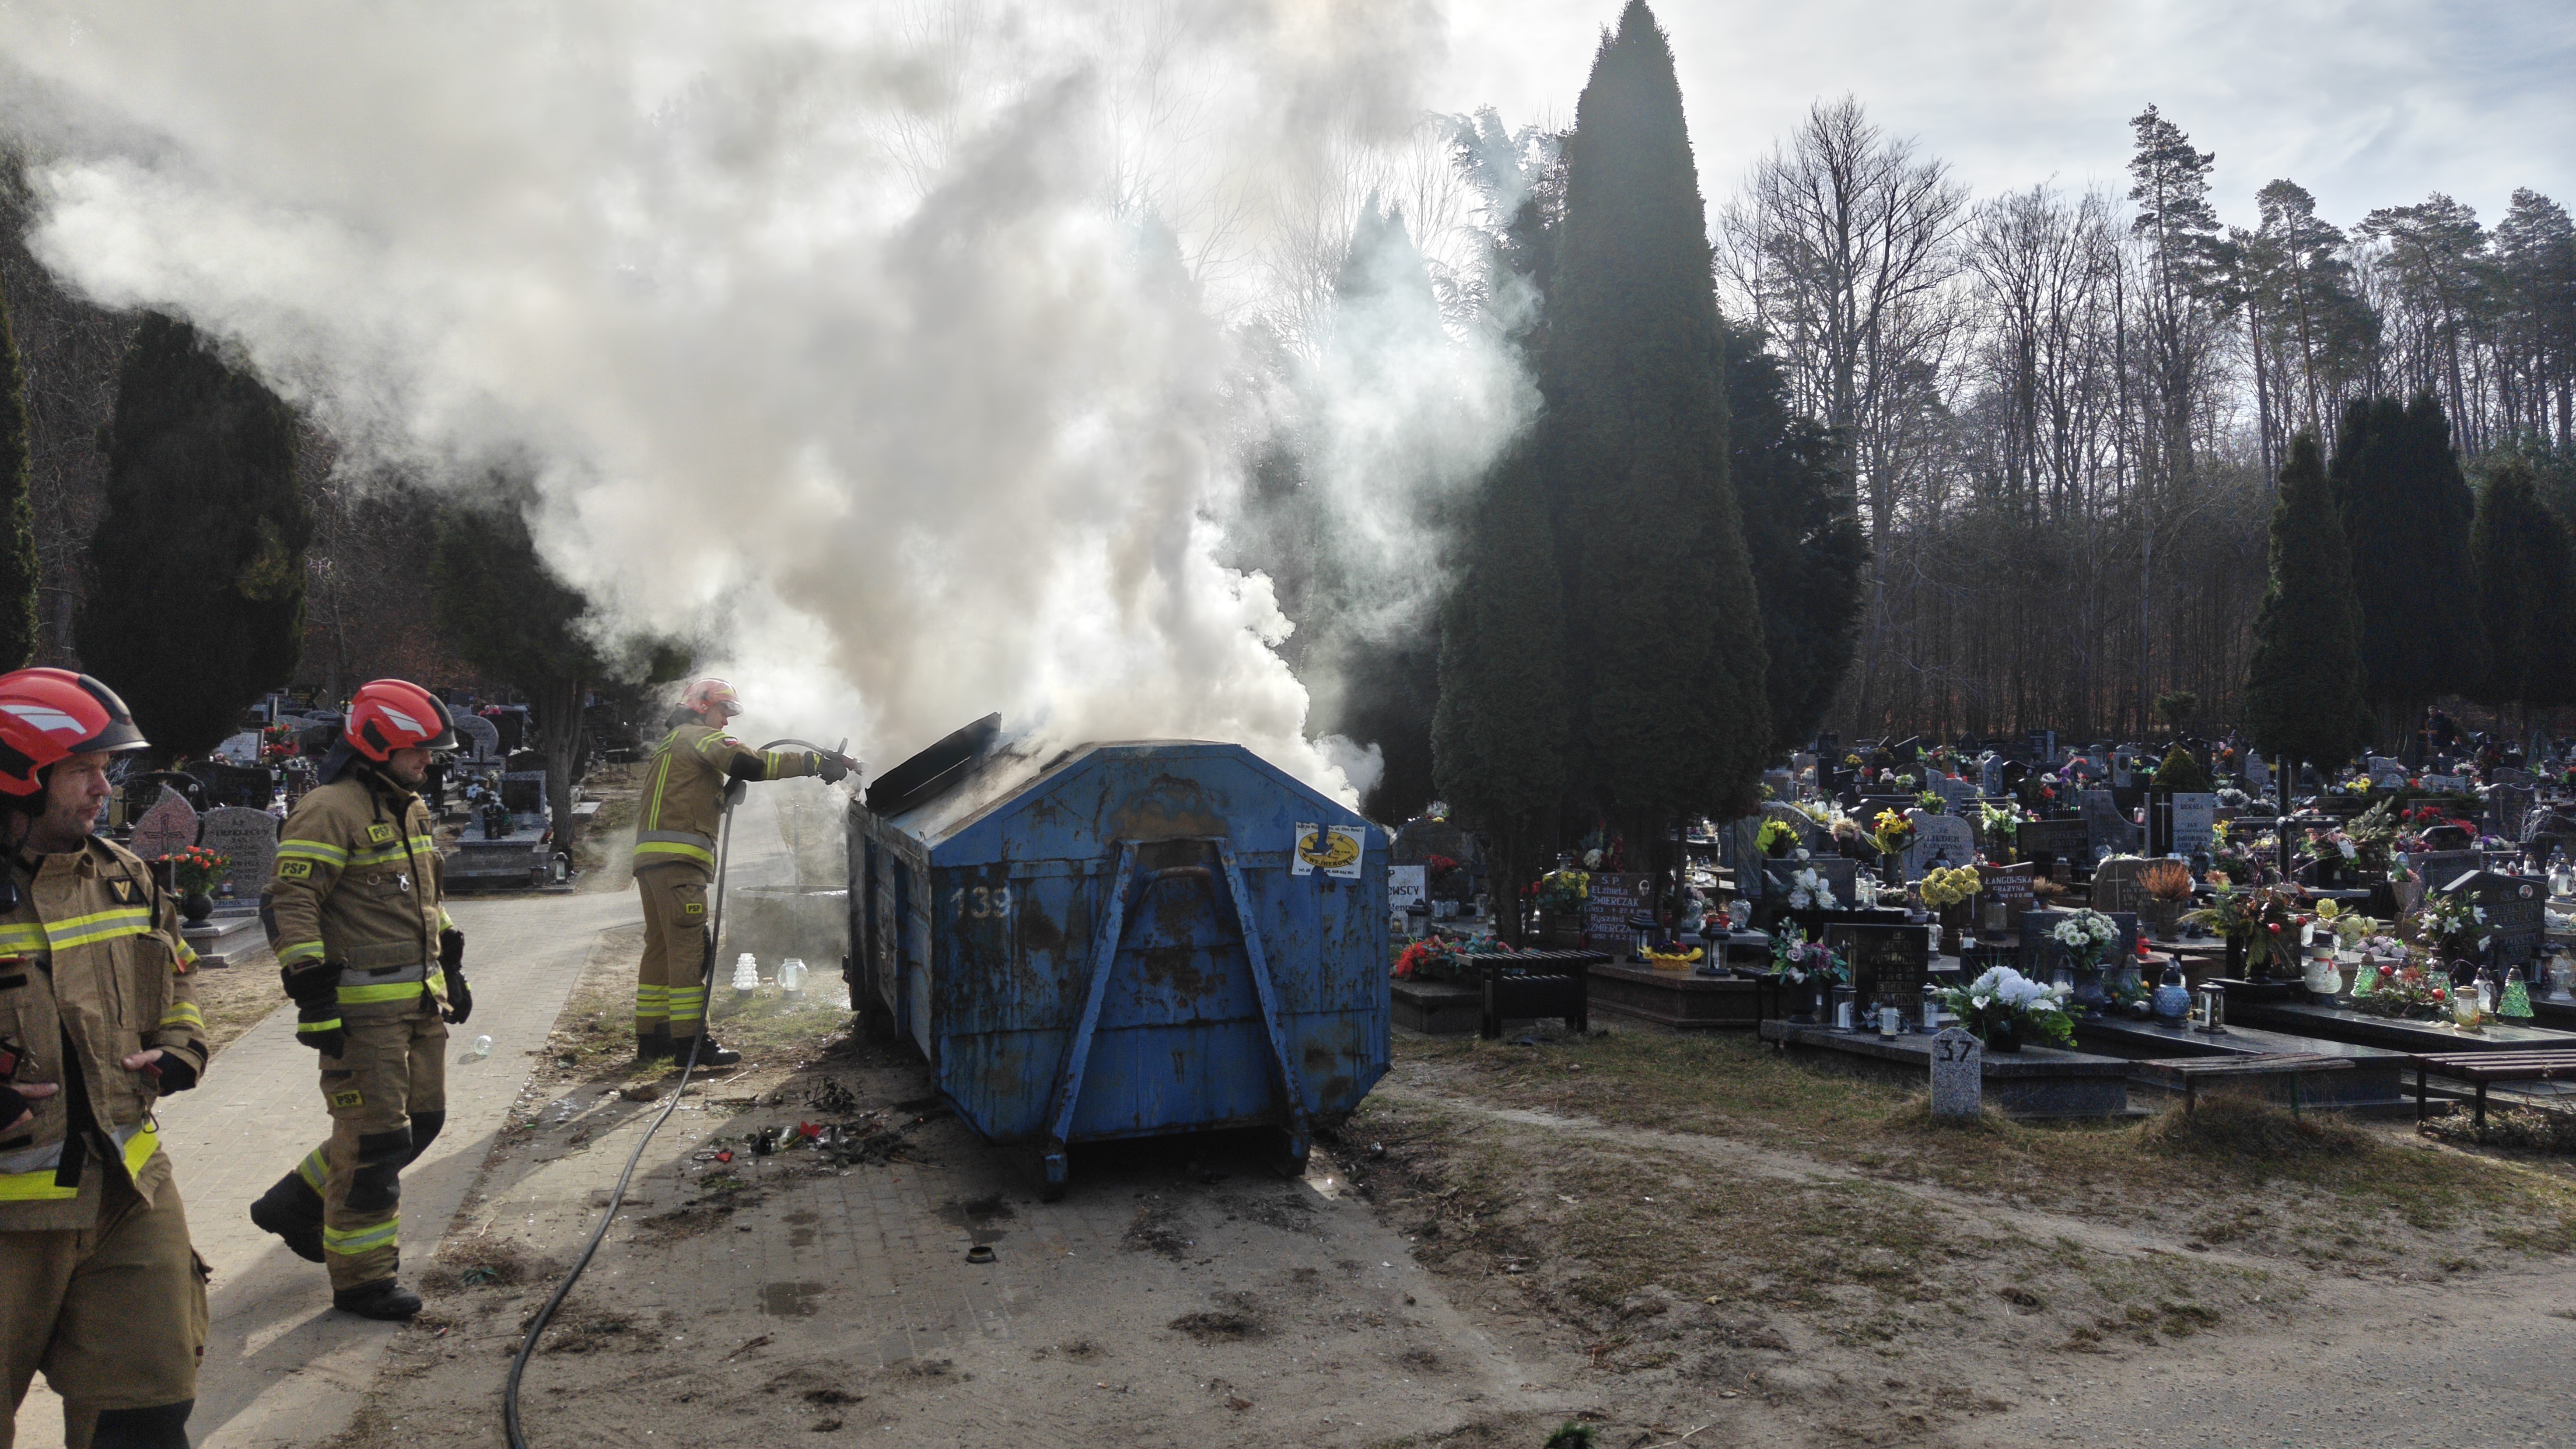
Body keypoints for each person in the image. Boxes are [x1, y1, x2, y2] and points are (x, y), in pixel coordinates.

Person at [0, 669, 210, 1449]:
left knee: (148, 1414)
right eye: (83, 770)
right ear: (20, 775)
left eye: (106, 768)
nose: (103, 787)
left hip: (127, 1192)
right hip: (9, 1222)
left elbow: (176, 975)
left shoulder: (125, 877)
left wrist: (183, 1045)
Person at [245, 679, 469, 1322]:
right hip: (362, 1014)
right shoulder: (328, 809)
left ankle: (295, 1203)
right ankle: (362, 1282)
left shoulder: (410, 808)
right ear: (377, 747)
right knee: (374, 1146)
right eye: (418, 749)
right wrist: (313, 996)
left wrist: (451, 962)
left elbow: (424, 898)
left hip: (418, 1002)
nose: (428, 761)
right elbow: (290, 902)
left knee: (422, 1122)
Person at [631, 679, 845, 1066]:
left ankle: (653, 1036)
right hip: (680, 863)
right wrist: (813, 764)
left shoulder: (671, 743)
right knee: (690, 950)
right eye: (723, 712)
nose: (726, 723)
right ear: (702, 708)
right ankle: (693, 1043)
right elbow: (752, 763)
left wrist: (718, 798)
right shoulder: (700, 736)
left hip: (652, 863)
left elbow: (681, 797)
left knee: (660, 946)